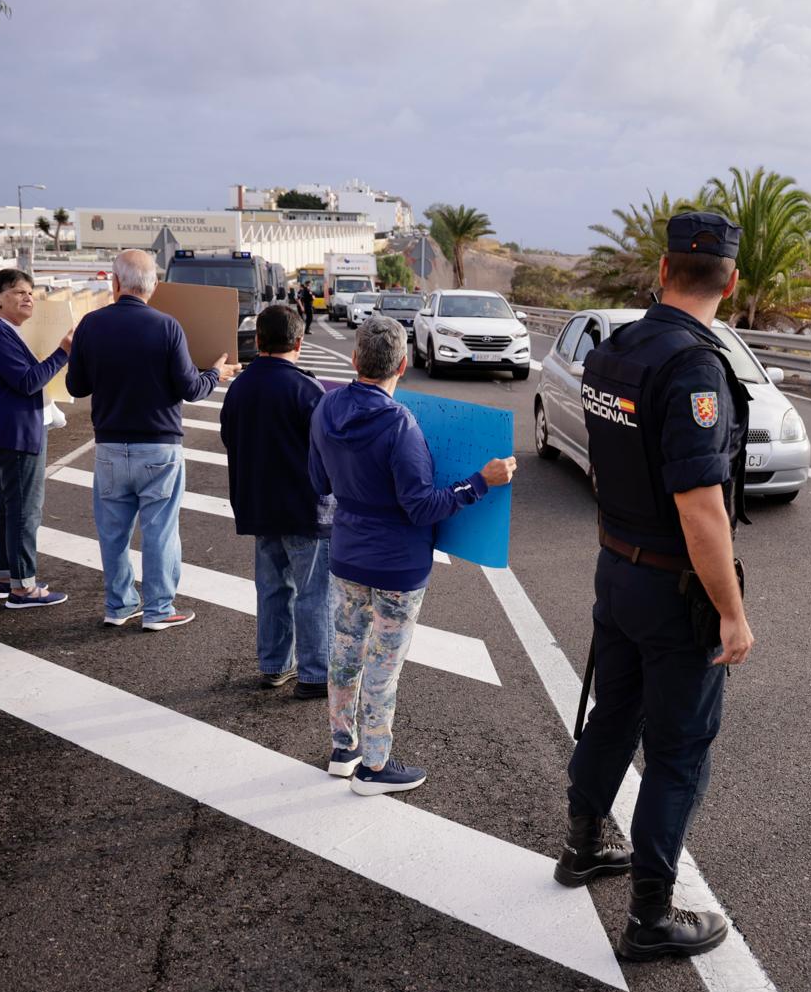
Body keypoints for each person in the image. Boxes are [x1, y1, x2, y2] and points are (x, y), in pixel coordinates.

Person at [555, 212, 753, 962]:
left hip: (617, 566)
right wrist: (731, 615)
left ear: (662, 272)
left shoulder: (619, 350)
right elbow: (702, 509)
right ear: (730, 284)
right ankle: (649, 919)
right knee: (678, 752)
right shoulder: (697, 367)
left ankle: (581, 847)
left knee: (614, 715)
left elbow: (608, 461)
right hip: (674, 589)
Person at [307, 317, 515, 794]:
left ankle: (344, 748)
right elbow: (422, 507)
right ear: (402, 364)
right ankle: (375, 769)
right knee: (384, 662)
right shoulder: (401, 425)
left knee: (344, 650)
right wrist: (480, 482)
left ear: (355, 360)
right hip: (398, 564)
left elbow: (319, 483)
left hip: (346, 553)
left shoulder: (325, 407)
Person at [65, 249, 236, 630]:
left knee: (113, 533)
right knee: (160, 531)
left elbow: (76, 385)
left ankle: (119, 604)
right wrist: (214, 373)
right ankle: (159, 609)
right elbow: (191, 389)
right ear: (154, 286)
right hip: (160, 447)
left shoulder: (91, 326)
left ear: (115, 282)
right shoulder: (166, 326)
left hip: (109, 447)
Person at [219, 304, 335, 690]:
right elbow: (325, 453)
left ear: (257, 340)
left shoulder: (239, 388)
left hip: (258, 505)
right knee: (313, 592)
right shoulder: (307, 388)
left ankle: (273, 664)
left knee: (272, 588)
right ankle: (315, 672)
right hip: (305, 509)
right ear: (298, 342)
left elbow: (228, 439)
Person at [0, 268, 74, 608]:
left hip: (4, 430)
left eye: (31, 292)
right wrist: (63, 352)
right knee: (25, 510)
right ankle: (23, 588)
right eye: (18, 292)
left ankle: (2, 578)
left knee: (8, 508)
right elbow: (26, 382)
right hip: (15, 432)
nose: (28, 297)